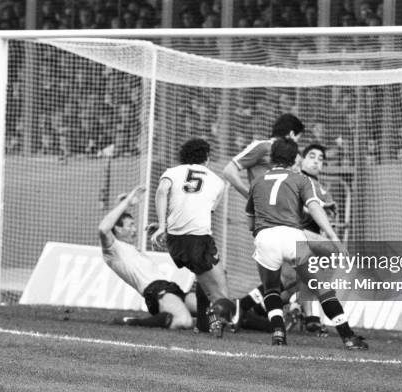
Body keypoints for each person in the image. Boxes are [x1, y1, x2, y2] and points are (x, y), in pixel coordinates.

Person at [246, 138, 368, 349]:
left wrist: (260, 235)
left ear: (272, 157)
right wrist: (333, 237)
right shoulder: (301, 180)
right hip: (293, 237)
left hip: (265, 237)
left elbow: (250, 218)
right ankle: (348, 336)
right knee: (321, 287)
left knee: (272, 290)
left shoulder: (257, 180)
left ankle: (278, 334)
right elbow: (314, 208)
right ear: (295, 158)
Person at [224, 113, 305, 328]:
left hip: (287, 219)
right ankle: (252, 309)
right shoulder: (262, 147)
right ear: (290, 134)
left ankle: (246, 308)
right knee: (318, 257)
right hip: (269, 220)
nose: (298, 144)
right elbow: (229, 170)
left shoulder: (288, 158)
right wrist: (249, 195)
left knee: (291, 278)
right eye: (298, 138)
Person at [151, 138, 235, 338]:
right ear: (207, 158)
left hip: (176, 241)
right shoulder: (217, 182)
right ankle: (217, 323)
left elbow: (162, 191)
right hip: (199, 239)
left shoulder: (172, 172)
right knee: (222, 294)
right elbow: (207, 211)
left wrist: (163, 226)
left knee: (203, 278)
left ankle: (206, 325)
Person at [98, 186, 195, 330]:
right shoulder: (113, 250)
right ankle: (133, 322)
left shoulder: (132, 249)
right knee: (184, 321)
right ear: (118, 229)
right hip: (155, 291)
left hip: (171, 288)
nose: (135, 229)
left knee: (210, 310)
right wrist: (126, 202)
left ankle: (233, 319)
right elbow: (104, 228)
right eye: (130, 225)